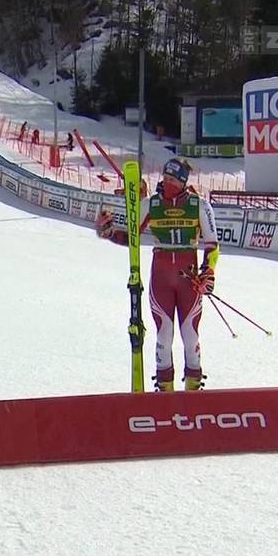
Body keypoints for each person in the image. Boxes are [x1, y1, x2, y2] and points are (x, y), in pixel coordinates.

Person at [95, 157, 219, 392]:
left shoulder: (199, 205)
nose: (167, 183)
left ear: (183, 181)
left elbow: (213, 244)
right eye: (165, 178)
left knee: (190, 334)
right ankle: (165, 386)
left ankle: (194, 387)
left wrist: (208, 273)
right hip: (160, 276)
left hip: (188, 278)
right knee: (164, 333)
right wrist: (108, 232)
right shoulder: (150, 205)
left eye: (173, 179)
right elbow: (132, 238)